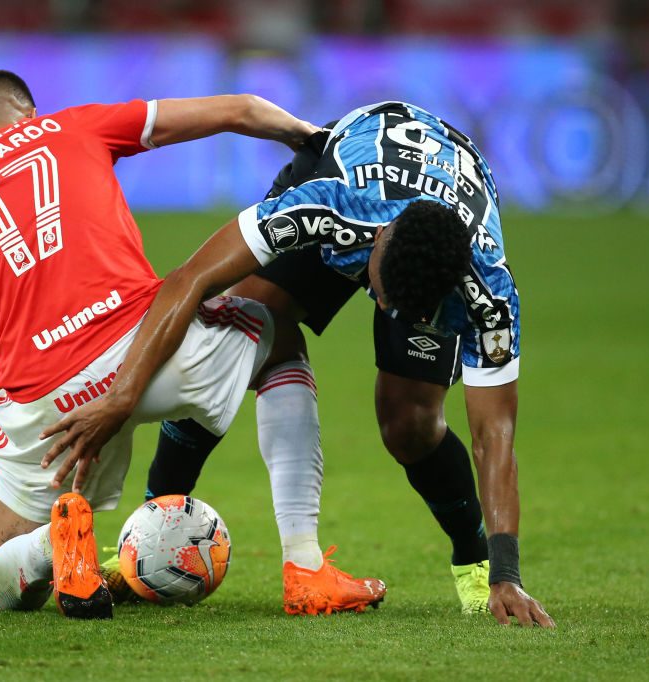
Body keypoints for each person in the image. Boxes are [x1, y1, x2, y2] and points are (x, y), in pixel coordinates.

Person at [0, 69, 384, 619]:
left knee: (1, 584)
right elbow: (241, 108)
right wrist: (308, 137)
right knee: (280, 339)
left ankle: (53, 543)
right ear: (31, 116)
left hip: (48, 409)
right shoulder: (74, 126)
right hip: (156, 351)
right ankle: (304, 566)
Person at [41, 101, 556, 628]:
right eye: (383, 294)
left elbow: (494, 433)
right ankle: (147, 538)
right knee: (233, 335)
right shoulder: (325, 205)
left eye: (406, 311)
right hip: (354, 166)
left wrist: (507, 572)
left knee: (410, 425)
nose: (385, 311)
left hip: (442, 212)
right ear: (377, 240)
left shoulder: (487, 291)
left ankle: (475, 564)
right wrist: (122, 394)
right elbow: (189, 282)